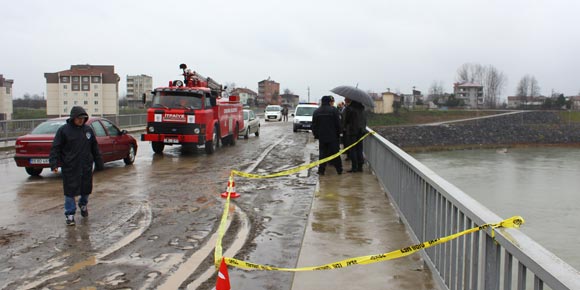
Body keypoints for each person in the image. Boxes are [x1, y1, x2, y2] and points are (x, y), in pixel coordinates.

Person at [49, 106, 104, 226]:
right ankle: (70, 214)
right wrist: (53, 163)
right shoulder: (63, 131)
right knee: (70, 191)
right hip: (70, 167)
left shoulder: (88, 130)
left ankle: (83, 205)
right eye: (79, 118)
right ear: (73, 118)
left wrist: (99, 162)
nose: (81, 120)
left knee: (86, 189)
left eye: (83, 118)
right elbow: (56, 148)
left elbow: (94, 147)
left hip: (86, 166)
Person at [312, 96, 343, 175]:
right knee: (336, 154)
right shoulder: (334, 110)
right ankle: (339, 170)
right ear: (329, 102)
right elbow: (338, 124)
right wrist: (339, 133)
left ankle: (321, 170)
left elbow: (314, 126)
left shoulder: (316, 111)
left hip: (322, 137)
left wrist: (316, 135)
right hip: (333, 137)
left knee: (322, 154)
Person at [343, 98, 367, 172]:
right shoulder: (362, 109)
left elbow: (345, 120)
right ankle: (360, 167)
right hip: (361, 131)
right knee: (360, 149)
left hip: (352, 132)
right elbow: (364, 120)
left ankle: (354, 167)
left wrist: (344, 127)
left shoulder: (349, 108)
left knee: (353, 149)